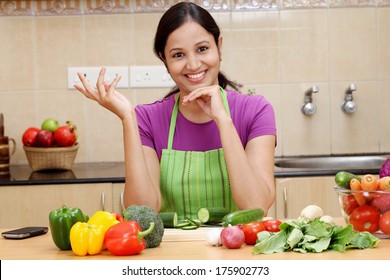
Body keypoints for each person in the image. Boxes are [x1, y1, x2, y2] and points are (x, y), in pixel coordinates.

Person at [74, 2, 277, 221]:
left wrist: (223, 120)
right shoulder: (147, 119)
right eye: (178, 55)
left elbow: (256, 206)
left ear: (218, 46)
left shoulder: (256, 111)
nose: (193, 64)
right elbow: (143, 211)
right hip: (170, 251)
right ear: (164, 59)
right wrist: (127, 118)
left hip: (239, 249)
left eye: (202, 49)